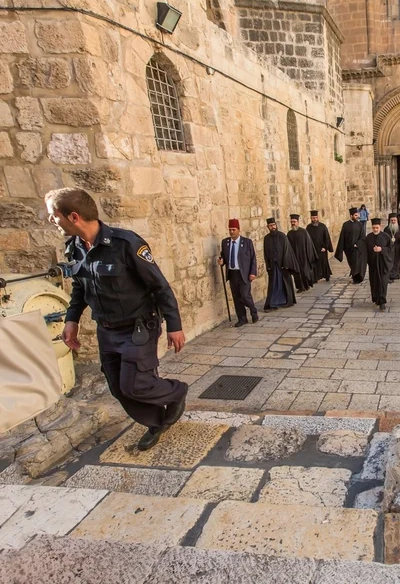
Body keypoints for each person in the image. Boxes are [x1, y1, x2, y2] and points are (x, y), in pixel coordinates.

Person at [45, 187, 187, 451]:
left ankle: (176, 391)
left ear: (73, 216)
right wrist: (72, 320)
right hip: (107, 330)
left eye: (54, 216)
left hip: (139, 327)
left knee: (135, 384)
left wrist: (174, 326)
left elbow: (160, 286)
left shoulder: (127, 243)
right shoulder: (73, 248)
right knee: (118, 387)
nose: (52, 221)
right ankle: (157, 422)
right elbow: (79, 287)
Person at [218, 219, 259, 328]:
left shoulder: (247, 242)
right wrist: (222, 262)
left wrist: (253, 272)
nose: (231, 232)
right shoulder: (225, 243)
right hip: (232, 274)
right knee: (236, 297)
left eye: (234, 229)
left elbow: (253, 258)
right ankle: (242, 318)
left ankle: (253, 310)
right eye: (230, 230)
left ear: (239, 230)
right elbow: (224, 257)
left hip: (244, 274)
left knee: (245, 296)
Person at [355, 218, 393, 310]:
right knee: (374, 283)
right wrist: (358, 245)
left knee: (383, 283)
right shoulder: (369, 237)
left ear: (380, 227)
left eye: (377, 227)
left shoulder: (386, 236)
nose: (375, 229)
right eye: (373, 228)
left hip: (383, 264)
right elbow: (364, 247)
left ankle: (382, 301)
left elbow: (391, 249)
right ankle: (376, 298)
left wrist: (382, 249)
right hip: (373, 265)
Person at [263, 217, 300, 311]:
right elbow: (266, 253)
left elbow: (287, 250)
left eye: (273, 225)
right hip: (273, 265)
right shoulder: (266, 238)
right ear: (268, 227)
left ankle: (288, 301)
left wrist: (286, 263)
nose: (272, 227)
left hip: (283, 265)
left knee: (284, 283)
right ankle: (273, 303)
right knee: (274, 285)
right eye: (270, 226)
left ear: (276, 225)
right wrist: (268, 265)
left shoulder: (282, 236)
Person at [287, 214, 319, 293]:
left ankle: (306, 285)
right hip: (294, 257)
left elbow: (309, 244)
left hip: (304, 256)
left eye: (294, 221)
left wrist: (309, 256)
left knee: (305, 272)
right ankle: (300, 287)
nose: (293, 223)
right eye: (292, 222)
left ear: (298, 222)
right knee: (297, 273)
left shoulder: (303, 232)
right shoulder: (289, 234)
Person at [335, 207, 365, 278]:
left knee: (357, 262)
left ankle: (356, 277)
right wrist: (341, 249)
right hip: (348, 249)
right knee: (352, 263)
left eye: (357, 215)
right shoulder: (345, 225)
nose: (357, 217)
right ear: (351, 216)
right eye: (355, 215)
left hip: (357, 248)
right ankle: (355, 275)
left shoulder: (360, 225)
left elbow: (362, 236)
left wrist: (358, 244)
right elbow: (342, 237)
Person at [307, 210, 334, 282]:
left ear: (318, 218)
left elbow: (327, 238)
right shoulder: (308, 227)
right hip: (314, 250)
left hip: (322, 249)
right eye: (313, 218)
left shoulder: (323, 226)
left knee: (324, 263)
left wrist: (325, 247)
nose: (314, 219)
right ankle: (315, 278)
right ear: (311, 218)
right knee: (315, 264)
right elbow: (307, 239)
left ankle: (327, 276)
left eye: (316, 217)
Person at [384, 213, 400, 283]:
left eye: (394, 220)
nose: (393, 222)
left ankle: (396, 275)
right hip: (389, 250)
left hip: (398, 249)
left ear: (397, 221)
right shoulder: (386, 229)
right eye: (391, 220)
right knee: (389, 262)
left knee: (397, 262)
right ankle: (389, 275)